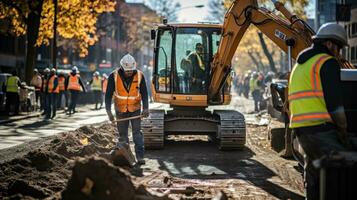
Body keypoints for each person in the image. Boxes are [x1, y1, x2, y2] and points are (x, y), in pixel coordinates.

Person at [288, 23, 352, 200]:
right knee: (341, 168)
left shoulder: (301, 63)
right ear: (330, 44)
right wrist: (343, 130)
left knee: (315, 168)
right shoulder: (327, 62)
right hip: (320, 129)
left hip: (301, 130)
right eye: (338, 47)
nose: (339, 53)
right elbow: (335, 104)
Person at [105, 54, 149, 165]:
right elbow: (108, 95)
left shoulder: (139, 75)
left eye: (131, 70)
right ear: (122, 68)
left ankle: (140, 157)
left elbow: (144, 93)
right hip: (120, 110)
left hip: (135, 109)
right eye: (127, 71)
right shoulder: (113, 76)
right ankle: (127, 158)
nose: (129, 72)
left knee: (137, 133)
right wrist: (109, 112)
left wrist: (146, 108)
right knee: (123, 135)